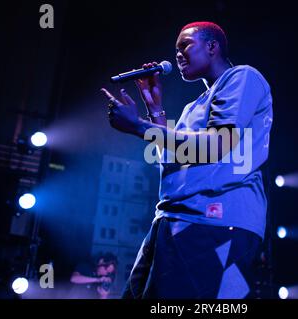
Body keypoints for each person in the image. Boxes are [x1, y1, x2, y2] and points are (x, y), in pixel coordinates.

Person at [101, 21, 273, 299]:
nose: (178, 54)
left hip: (215, 220)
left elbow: (218, 145)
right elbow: (172, 162)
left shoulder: (242, 77)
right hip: (174, 218)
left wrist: (139, 127)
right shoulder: (193, 107)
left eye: (185, 45)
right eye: (176, 49)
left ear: (212, 46)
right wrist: (155, 111)